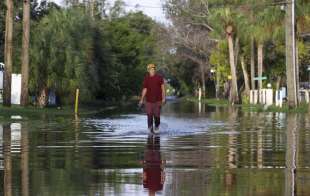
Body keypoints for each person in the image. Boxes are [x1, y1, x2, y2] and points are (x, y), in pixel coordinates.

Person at [139, 64, 166, 133]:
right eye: (151, 69)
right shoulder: (146, 79)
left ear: (155, 70)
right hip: (148, 101)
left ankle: (156, 127)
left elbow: (163, 88)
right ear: (148, 70)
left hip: (158, 100)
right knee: (149, 115)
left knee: (157, 116)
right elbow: (145, 89)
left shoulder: (159, 78)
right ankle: (150, 130)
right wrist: (142, 99)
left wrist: (164, 98)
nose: (152, 70)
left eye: (153, 69)